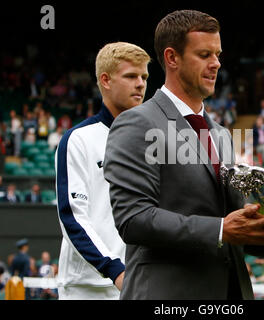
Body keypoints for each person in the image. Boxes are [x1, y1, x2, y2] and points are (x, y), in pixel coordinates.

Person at [103, 10, 264, 300]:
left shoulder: (221, 135)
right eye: (204, 54)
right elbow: (133, 218)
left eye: (217, 54)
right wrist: (219, 230)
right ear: (172, 58)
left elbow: (232, 222)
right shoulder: (137, 123)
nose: (216, 63)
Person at [55, 42, 151, 300]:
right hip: (87, 288)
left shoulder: (154, 142)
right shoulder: (78, 139)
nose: (141, 84)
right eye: (131, 76)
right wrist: (115, 270)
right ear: (106, 81)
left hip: (141, 284)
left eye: (144, 77)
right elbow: (73, 218)